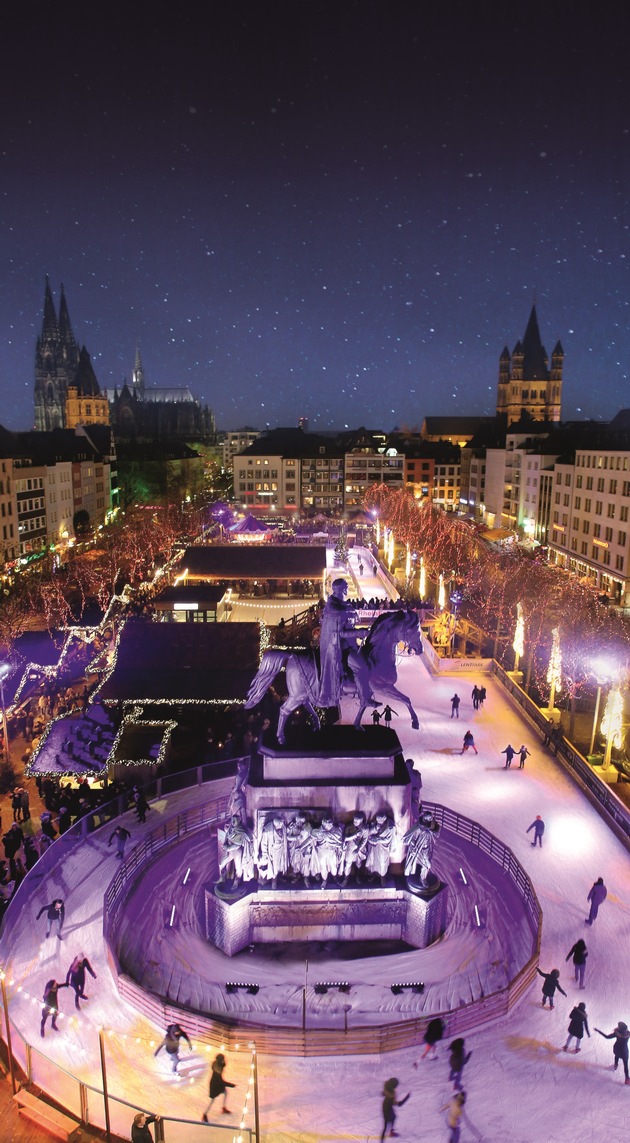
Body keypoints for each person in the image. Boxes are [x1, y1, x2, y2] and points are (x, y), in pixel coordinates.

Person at [317, 578, 358, 706]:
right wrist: (361, 632)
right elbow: (340, 632)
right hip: (335, 643)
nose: (347, 589)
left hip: (343, 640)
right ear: (340, 589)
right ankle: (343, 680)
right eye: (345, 587)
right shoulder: (334, 608)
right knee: (352, 658)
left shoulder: (342, 605)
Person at [202, 1052, 235, 1120]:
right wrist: (231, 1085)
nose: (224, 1060)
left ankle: (223, 1108)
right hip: (215, 1085)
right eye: (223, 1059)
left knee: (225, 1092)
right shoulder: (217, 1071)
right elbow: (221, 1081)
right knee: (212, 1100)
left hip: (218, 1083)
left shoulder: (219, 1066)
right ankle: (205, 1114)